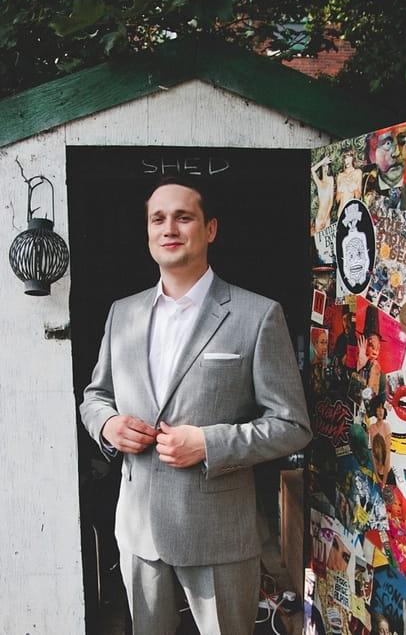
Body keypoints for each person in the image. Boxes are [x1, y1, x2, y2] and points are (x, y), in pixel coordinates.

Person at [80, 175, 312, 635]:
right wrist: (107, 426)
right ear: (148, 233)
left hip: (219, 537)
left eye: (183, 217)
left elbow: (292, 424)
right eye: (158, 218)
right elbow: (94, 396)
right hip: (138, 534)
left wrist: (209, 443)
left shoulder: (257, 314)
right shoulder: (121, 313)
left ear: (210, 229)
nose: (170, 228)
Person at [311, 154, 334, 232]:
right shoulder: (319, 182)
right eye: (323, 166)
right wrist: (322, 162)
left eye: (327, 166)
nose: (325, 168)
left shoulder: (331, 180)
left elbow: (331, 202)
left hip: (326, 219)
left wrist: (325, 219)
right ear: (321, 167)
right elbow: (312, 170)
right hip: (319, 218)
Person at [336, 148, 362, 217]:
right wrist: (339, 191)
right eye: (345, 158)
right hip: (340, 213)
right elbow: (337, 200)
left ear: (353, 158)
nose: (346, 160)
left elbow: (358, 197)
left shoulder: (358, 172)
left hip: (351, 212)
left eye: (349, 157)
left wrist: (354, 187)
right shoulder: (340, 175)